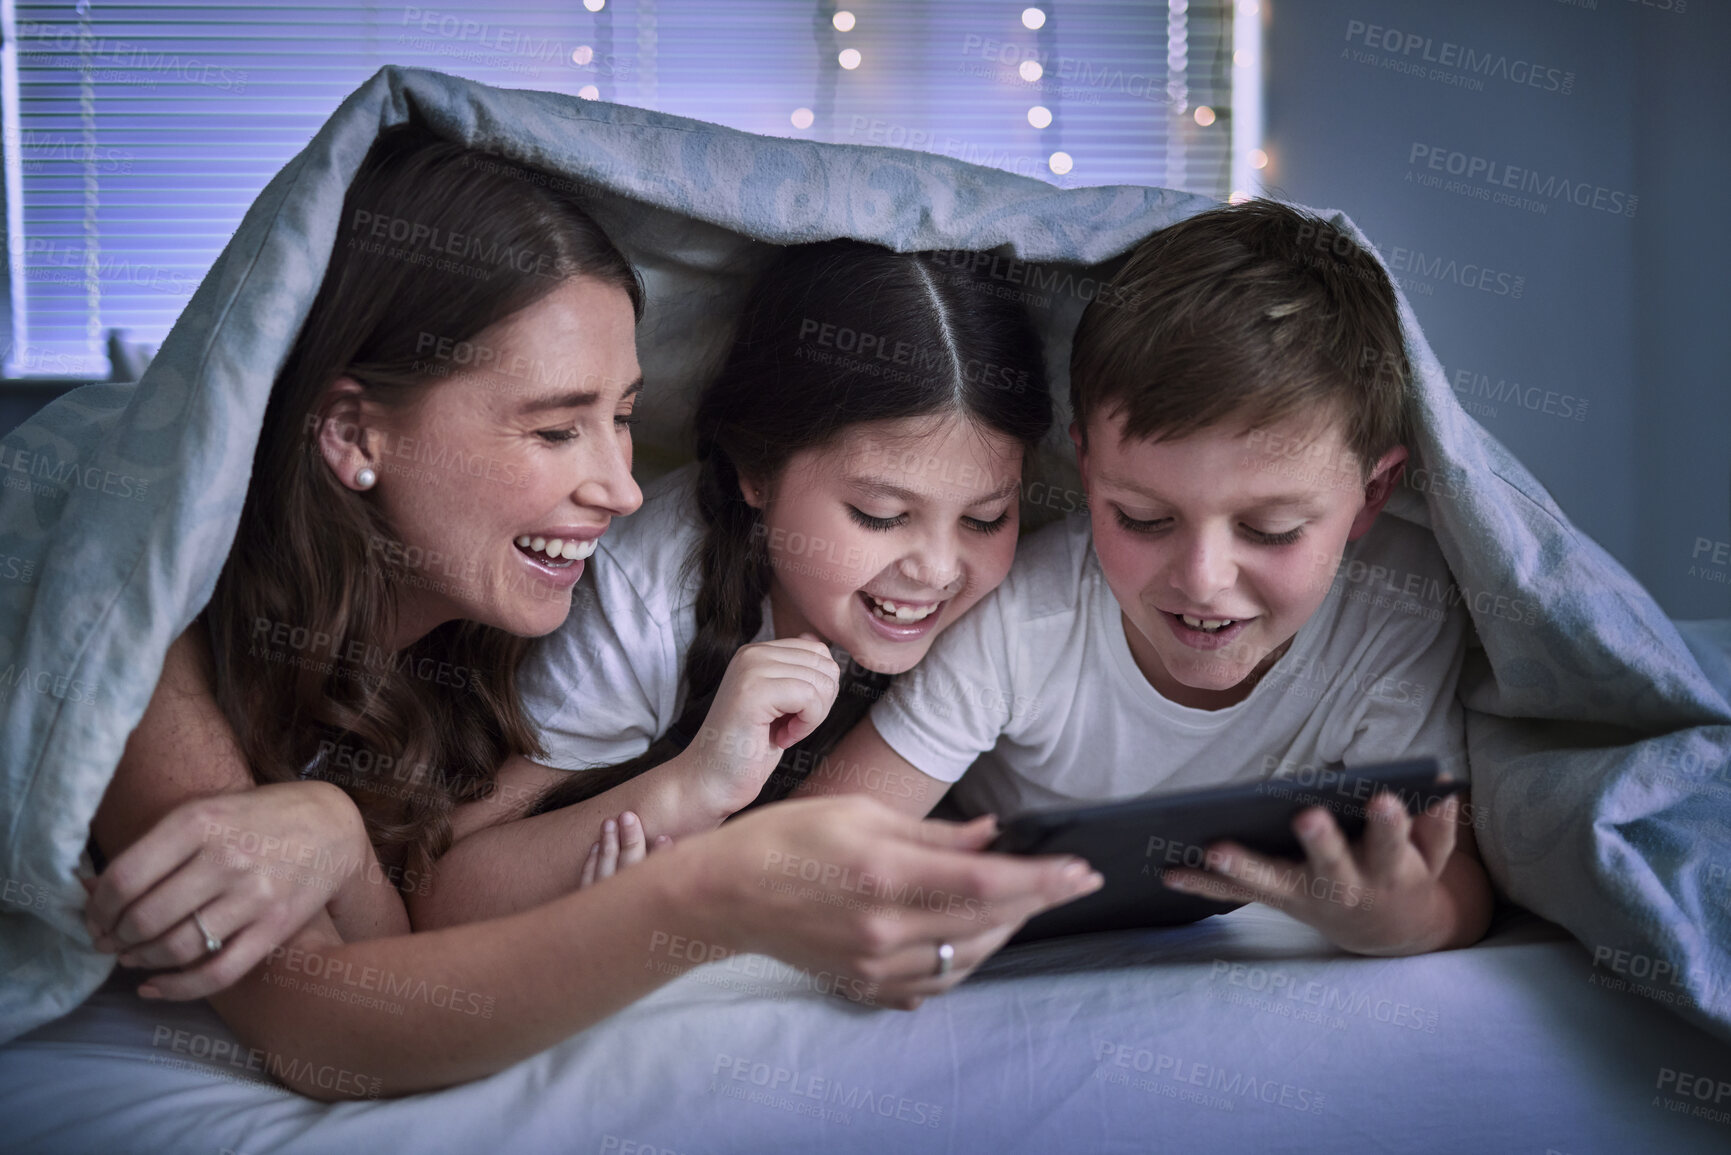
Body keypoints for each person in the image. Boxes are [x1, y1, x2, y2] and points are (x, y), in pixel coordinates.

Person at [79, 124, 1103, 1100]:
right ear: (354, 432)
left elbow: (402, 942)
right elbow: (332, 1029)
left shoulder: (478, 624)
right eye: (558, 429)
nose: (620, 490)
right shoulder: (139, 635)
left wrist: (336, 832)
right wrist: (713, 881)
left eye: (623, 419)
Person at [796, 200, 1495, 958]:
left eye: (1270, 530)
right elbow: (813, 844)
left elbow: (1448, 870)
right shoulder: (1026, 615)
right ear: (1086, 470)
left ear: (1373, 494)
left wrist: (1405, 921)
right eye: (1141, 517)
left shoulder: (1399, 602)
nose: (1201, 580)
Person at [412, 238, 1058, 926]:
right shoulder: (652, 597)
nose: (935, 568)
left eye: (986, 518)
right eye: (880, 514)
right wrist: (692, 785)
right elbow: (442, 888)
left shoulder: (1012, 599)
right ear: (756, 470)